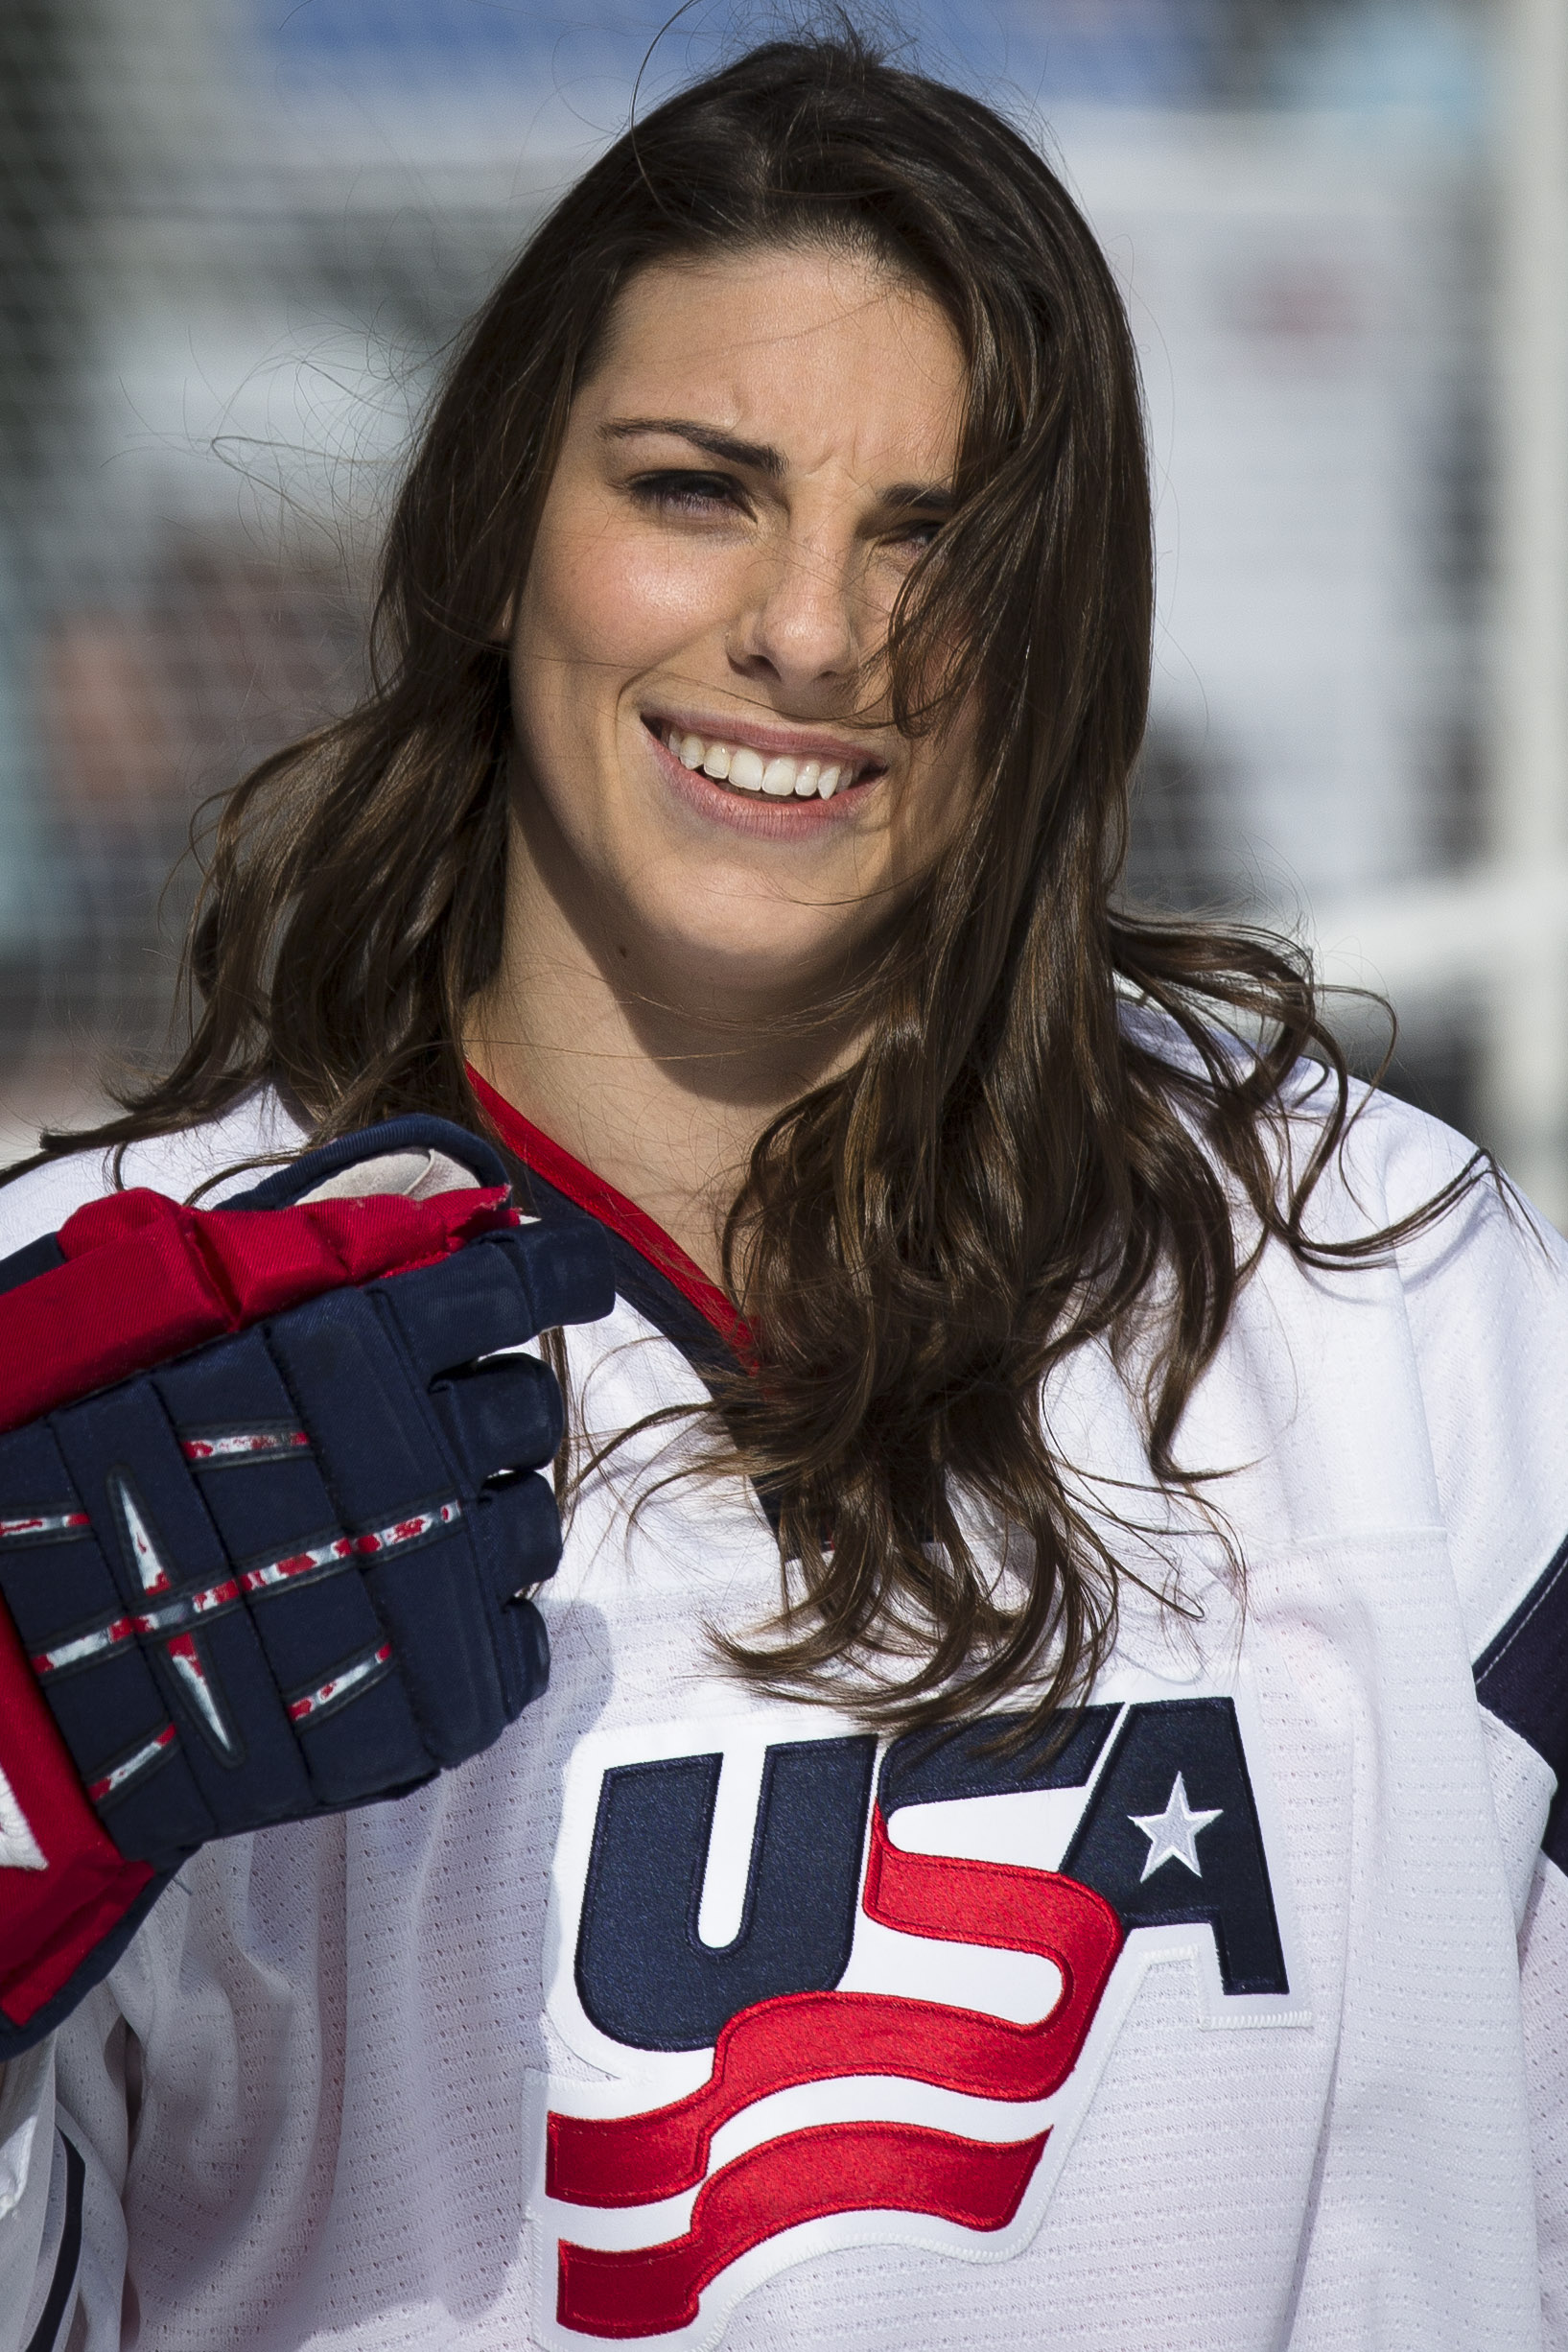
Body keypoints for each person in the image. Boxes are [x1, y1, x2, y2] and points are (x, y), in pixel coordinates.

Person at [0, 33, 1562, 2352]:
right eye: (696, 485)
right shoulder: (135, 1324)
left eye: (930, 533)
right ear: (500, 531)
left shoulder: (1370, 1280)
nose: (812, 631)